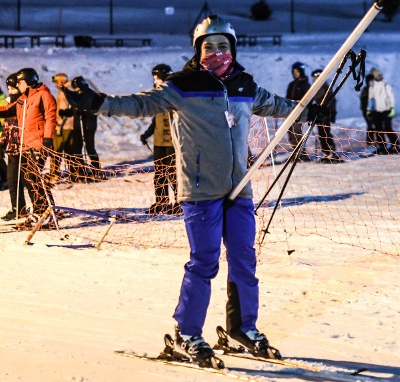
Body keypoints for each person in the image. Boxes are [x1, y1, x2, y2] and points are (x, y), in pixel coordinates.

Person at [63, 15, 324, 368]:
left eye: (223, 46)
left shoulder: (244, 85)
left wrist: (308, 111)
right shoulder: (182, 85)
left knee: (245, 260)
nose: (217, 52)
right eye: (209, 46)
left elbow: (277, 105)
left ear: (232, 49)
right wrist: (98, 103)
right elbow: (140, 104)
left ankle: (243, 328)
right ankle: (187, 332)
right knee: (204, 261)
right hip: (200, 189)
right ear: (198, 50)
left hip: (239, 188)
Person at [0, 68, 57, 229]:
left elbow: (51, 118)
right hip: (25, 144)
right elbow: (9, 109)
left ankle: (45, 213)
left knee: (33, 180)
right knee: (28, 179)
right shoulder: (24, 97)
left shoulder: (44, 95)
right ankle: (40, 212)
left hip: (38, 143)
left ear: (28, 81)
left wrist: (48, 140)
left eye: (20, 82)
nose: (18, 85)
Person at [139, 63, 179, 214]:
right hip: (159, 142)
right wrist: (147, 134)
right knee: (160, 173)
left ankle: (178, 202)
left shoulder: (174, 94)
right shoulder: (157, 95)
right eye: (154, 78)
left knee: (173, 173)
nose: (155, 81)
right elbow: (156, 120)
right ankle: (161, 201)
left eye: (157, 78)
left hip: (172, 142)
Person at [0, 73, 29, 221]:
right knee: (12, 180)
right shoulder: (9, 103)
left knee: (27, 180)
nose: (10, 92)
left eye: (12, 88)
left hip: (23, 147)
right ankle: (18, 209)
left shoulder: (24, 102)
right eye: (8, 89)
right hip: (12, 147)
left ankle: (41, 208)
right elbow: (7, 126)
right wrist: (2, 143)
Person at [367, 67, 400, 154]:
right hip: (376, 111)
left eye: (380, 75)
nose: (380, 76)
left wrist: (392, 108)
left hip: (386, 110)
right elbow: (371, 98)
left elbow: (391, 97)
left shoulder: (386, 85)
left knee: (388, 128)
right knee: (378, 130)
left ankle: (395, 145)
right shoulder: (372, 86)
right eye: (378, 75)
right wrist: (368, 109)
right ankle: (382, 147)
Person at [49, 72, 76, 183]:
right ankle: (73, 173)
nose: (55, 84)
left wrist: (58, 125)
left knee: (56, 151)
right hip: (71, 126)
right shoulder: (71, 91)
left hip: (63, 126)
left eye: (56, 81)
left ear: (61, 81)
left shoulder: (63, 93)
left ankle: (54, 174)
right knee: (70, 152)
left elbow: (62, 111)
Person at [311, 68, 341, 163]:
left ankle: (331, 153)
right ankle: (326, 153)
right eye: (314, 78)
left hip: (325, 114)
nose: (314, 80)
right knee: (322, 134)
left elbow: (331, 101)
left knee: (325, 133)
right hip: (319, 114)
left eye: (316, 78)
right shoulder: (317, 87)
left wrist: (331, 114)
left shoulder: (324, 87)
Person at [285, 61, 312, 160]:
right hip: (290, 112)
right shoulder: (291, 84)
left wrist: (302, 106)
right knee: (290, 132)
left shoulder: (306, 84)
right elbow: (288, 97)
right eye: (294, 71)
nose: (295, 73)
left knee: (296, 132)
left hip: (300, 112)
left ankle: (302, 154)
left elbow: (309, 99)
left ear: (301, 71)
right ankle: (296, 152)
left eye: (297, 71)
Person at [360, 73, 376, 149]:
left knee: (374, 126)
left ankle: (374, 142)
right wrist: (366, 111)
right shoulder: (365, 90)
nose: (372, 82)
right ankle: (370, 143)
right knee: (370, 126)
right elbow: (363, 101)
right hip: (367, 111)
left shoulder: (375, 89)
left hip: (375, 111)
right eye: (370, 81)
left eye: (373, 81)